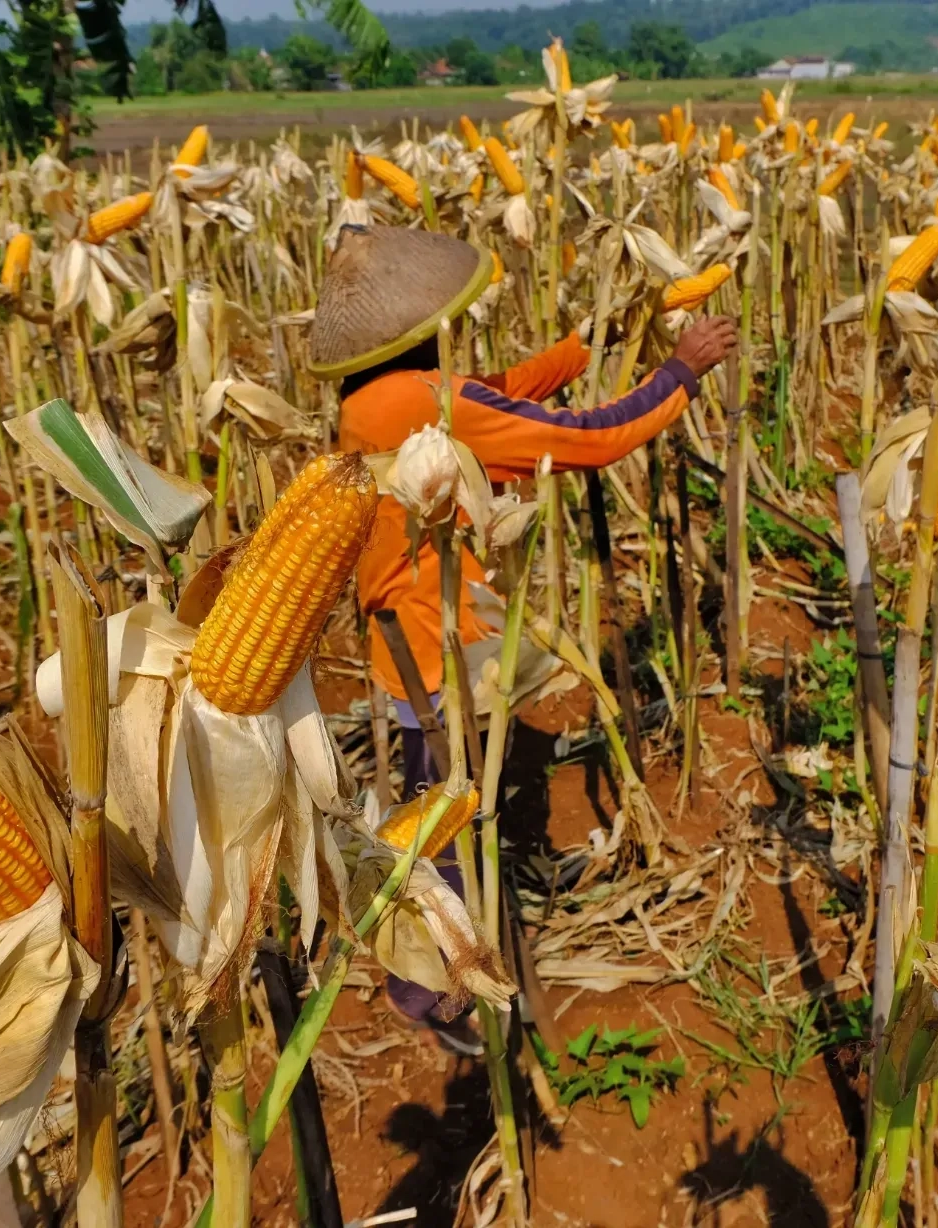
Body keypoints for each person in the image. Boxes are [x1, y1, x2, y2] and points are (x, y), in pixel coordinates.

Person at [308, 224, 739, 1052]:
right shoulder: (428, 405)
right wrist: (678, 372)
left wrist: (587, 343)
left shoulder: (377, 398)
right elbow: (587, 438)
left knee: (436, 800)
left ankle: (437, 959)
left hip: (399, 639)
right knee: (443, 821)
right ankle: (425, 986)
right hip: (434, 650)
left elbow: (497, 393)